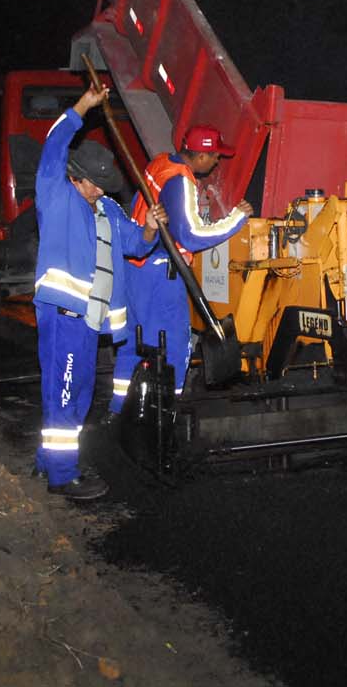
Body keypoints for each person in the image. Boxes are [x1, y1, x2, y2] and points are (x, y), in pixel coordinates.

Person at [32, 83, 165, 501]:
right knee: (66, 394)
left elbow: (136, 245)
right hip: (64, 315)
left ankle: (48, 460)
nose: (102, 190)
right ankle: (62, 475)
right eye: (95, 184)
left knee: (77, 394)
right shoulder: (55, 193)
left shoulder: (107, 208)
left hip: (90, 320)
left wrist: (149, 229)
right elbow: (54, 145)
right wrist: (82, 106)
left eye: (105, 184)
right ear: (76, 177)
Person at [110, 125, 252, 418]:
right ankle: (165, 416)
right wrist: (237, 219)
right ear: (200, 156)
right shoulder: (181, 180)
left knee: (133, 345)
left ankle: (118, 412)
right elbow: (191, 236)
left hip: (135, 268)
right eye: (215, 156)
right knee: (173, 347)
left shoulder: (161, 163)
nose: (217, 162)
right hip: (160, 274)